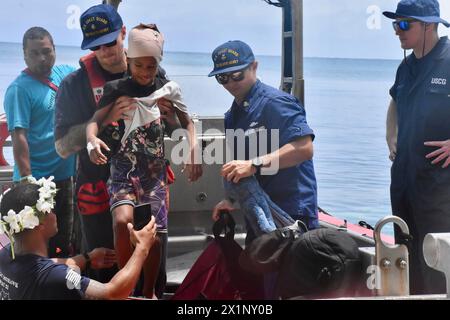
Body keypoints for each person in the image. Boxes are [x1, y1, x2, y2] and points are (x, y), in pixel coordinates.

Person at [86, 23, 202, 298]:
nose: (144, 72)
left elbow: (188, 124)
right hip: (123, 168)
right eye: (138, 65)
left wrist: (193, 151)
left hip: (154, 170)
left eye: (150, 66)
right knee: (121, 221)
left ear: (158, 63)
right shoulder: (115, 88)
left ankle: (149, 292)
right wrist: (93, 141)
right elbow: (94, 122)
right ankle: (125, 288)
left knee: (155, 235)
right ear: (129, 60)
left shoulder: (168, 88)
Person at [383, 0, 450, 294]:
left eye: (404, 24)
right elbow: (395, 100)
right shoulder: (406, 65)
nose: (398, 31)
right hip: (404, 182)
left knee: (438, 262)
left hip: (439, 186)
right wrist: (391, 133)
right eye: (395, 24)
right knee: (408, 259)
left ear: (429, 25)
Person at [0, 178, 157, 300]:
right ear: (39, 222)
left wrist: (86, 259)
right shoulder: (55, 277)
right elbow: (112, 293)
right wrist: (142, 248)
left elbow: (49, 264)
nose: (55, 215)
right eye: (51, 210)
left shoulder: (6, 254)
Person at [3, 27, 76, 258]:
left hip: (64, 178)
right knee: (34, 251)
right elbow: (19, 135)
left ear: (55, 50)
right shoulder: (19, 89)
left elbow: (93, 68)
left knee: (63, 242)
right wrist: (27, 184)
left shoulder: (63, 74)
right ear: (24, 55)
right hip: (37, 182)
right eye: (34, 53)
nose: (42, 58)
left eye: (47, 51)